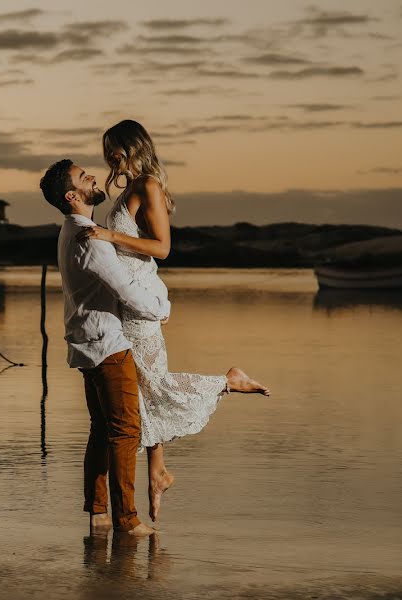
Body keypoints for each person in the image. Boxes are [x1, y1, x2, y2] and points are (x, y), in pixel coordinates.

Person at [77, 119, 271, 522]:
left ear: (133, 147)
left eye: (114, 148)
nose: (109, 156)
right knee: (142, 392)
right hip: (124, 305)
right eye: (106, 149)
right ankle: (158, 471)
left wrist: (109, 237)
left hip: (140, 307)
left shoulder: (148, 185)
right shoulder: (128, 188)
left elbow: (162, 248)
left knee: (153, 385)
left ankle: (228, 381)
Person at [40, 158, 171, 536]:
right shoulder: (90, 240)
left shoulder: (71, 229)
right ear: (72, 195)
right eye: (85, 177)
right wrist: (162, 308)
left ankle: (98, 513)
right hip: (107, 345)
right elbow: (127, 292)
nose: (94, 177)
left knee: (102, 428)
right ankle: (126, 519)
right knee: (126, 431)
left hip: (86, 342)